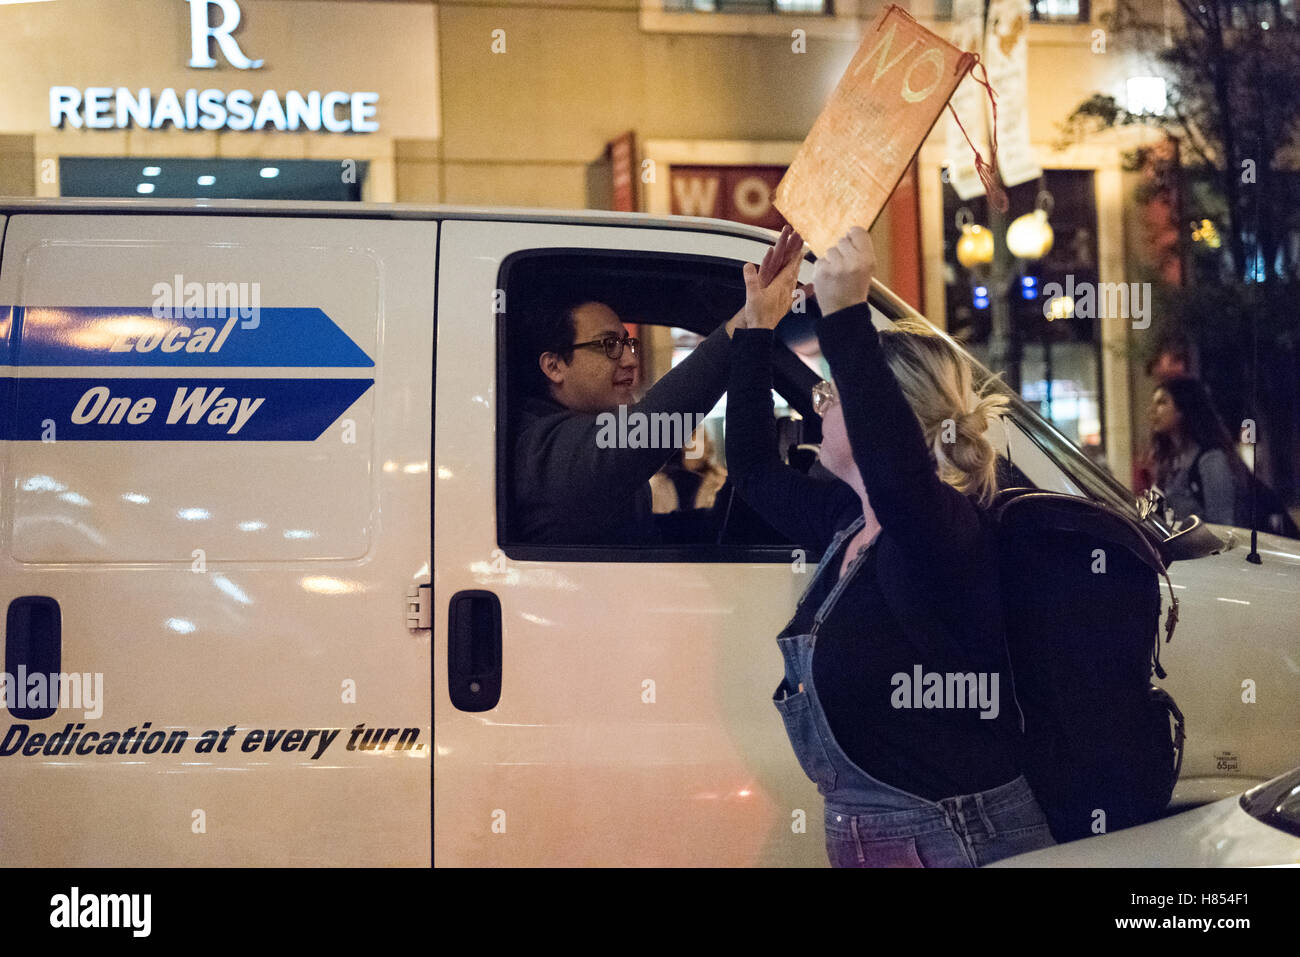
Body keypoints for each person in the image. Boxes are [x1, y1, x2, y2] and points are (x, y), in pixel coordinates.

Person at [726, 226, 1055, 868]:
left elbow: (900, 478)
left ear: (892, 418)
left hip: (957, 842)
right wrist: (756, 329)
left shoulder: (940, 530)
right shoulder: (851, 525)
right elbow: (753, 472)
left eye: (832, 394)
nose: (819, 406)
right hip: (881, 840)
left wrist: (845, 315)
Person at [512, 226, 804, 546]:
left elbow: (639, 536)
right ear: (554, 366)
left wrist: (720, 522)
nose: (629, 361)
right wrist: (748, 323)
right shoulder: (542, 451)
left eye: (627, 343)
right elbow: (652, 426)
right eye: (608, 344)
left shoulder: (576, 441)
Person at [1145, 376, 1299, 536]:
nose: (1152, 410)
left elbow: (1222, 527)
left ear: (1183, 409)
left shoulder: (1211, 459)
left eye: (1162, 402)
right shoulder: (1171, 461)